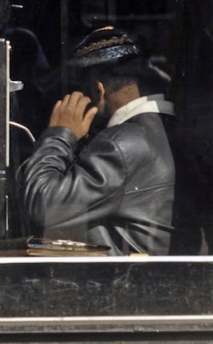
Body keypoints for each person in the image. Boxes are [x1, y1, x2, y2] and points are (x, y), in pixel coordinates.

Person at [16, 27, 183, 256]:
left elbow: (42, 204)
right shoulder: (164, 130)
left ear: (98, 89)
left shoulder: (121, 143)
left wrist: (59, 133)